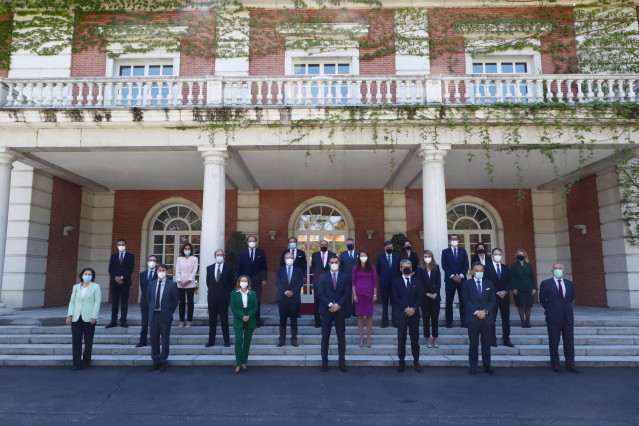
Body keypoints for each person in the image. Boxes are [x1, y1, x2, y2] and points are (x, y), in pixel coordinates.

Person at [539, 263, 578, 374]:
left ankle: (570, 364)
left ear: (563, 271)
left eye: (560, 268)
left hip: (567, 317)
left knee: (569, 342)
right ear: (552, 270)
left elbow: (570, 299)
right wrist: (551, 309)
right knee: (554, 341)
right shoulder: (546, 283)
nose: (558, 270)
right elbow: (542, 300)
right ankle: (555, 364)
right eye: (555, 268)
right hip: (553, 317)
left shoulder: (570, 284)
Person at [462, 262, 496, 375]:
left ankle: (487, 365)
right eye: (477, 270)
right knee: (473, 344)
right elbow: (465, 300)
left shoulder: (489, 284)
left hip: (487, 319)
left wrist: (485, 311)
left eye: (481, 270)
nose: (479, 272)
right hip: (473, 319)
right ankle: (473, 366)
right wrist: (476, 312)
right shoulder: (467, 284)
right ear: (472, 271)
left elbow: (492, 301)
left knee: (486, 343)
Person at [318, 256, 349, 372]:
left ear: (339, 263)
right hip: (326, 311)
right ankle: (324, 363)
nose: (334, 264)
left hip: (340, 311)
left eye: (336, 262)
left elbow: (347, 293)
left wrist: (337, 305)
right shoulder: (323, 277)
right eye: (332, 262)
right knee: (325, 337)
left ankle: (342, 362)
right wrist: (330, 305)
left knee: (341, 337)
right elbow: (320, 293)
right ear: (329, 264)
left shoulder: (344, 277)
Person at [391, 260, 423, 373]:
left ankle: (416, 361)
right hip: (401, 315)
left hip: (414, 315)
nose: (407, 268)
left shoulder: (417, 282)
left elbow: (420, 297)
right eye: (404, 267)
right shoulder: (395, 282)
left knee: (415, 340)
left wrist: (412, 309)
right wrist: (406, 309)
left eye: (409, 266)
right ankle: (401, 362)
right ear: (400, 268)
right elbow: (395, 298)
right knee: (401, 339)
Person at [66, 268, 101, 371]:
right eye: (85, 274)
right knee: (76, 340)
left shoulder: (95, 287)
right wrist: (69, 315)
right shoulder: (76, 287)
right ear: (82, 275)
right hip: (76, 317)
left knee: (88, 341)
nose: (87, 275)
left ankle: (86, 362)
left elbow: (97, 302)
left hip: (89, 317)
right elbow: (72, 302)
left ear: (92, 276)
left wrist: (94, 316)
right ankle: (76, 363)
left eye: (89, 274)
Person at [147, 264, 179, 372]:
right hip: (153, 316)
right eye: (159, 270)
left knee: (165, 340)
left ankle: (163, 361)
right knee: (154, 340)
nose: (161, 272)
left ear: (167, 272)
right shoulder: (151, 284)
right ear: (156, 272)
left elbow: (175, 301)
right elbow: (149, 299)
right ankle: (155, 361)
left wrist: (169, 312)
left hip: (165, 316)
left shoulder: (172, 285)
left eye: (163, 270)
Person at [484, 248, 514, 347]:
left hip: (505, 297)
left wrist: (505, 291)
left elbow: (510, 281)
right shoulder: (487, 268)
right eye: (496, 254)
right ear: (492, 255)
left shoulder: (506, 268)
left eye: (499, 254)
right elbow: (487, 281)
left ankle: (506, 339)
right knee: (492, 319)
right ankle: (493, 339)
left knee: (506, 319)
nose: (498, 256)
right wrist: (497, 292)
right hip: (493, 297)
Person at [236, 235, 268, 327]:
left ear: (256, 242)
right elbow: (240, 267)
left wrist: (264, 279)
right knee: (244, 300)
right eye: (250, 241)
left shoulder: (261, 253)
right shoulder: (243, 253)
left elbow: (264, 267)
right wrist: (239, 280)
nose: (252, 242)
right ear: (247, 242)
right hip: (245, 282)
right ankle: (245, 320)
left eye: (253, 240)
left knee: (256, 301)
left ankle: (256, 321)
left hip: (257, 281)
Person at [205, 249, 233, 348]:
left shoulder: (229, 268)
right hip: (212, 298)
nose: (219, 256)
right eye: (218, 255)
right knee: (212, 321)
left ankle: (226, 341)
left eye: (221, 255)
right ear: (215, 256)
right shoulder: (209, 268)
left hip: (224, 298)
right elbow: (208, 283)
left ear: (224, 256)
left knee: (224, 320)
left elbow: (231, 284)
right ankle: (211, 341)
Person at [230, 275, 258, 375]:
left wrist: (249, 315)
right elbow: (233, 307)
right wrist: (242, 315)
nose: (243, 282)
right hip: (239, 319)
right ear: (239, 282)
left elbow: (255, 306)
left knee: (247, 342)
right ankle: (238, 364)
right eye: (242, 281)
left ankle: (244, 362)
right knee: (238, 341)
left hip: (250, 320)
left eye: (245, 281)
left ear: (248, 282)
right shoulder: (234, 293)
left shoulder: (253, 293)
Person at [276, 252, 304, 347]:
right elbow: (278, 283)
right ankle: (282, 340)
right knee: (282, 321)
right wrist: (285, 292)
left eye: (291, 258)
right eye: (287, 258)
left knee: (294, 320)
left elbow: (300, 282)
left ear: (294, 259)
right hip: (282, 299)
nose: (289, 259)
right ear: (284, 260)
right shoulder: (280, 270)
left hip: (294, 299)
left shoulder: (298, 270)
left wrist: (292, 291)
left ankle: (294, 339)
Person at [441, 234, 469, 328]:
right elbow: (444, 266)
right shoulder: (445, 252)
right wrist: (453, 276)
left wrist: (460, 276)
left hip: (462, 280)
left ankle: (464, 321)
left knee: (463, 301)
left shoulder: (463, 251)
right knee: (449, 301)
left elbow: (466, 265)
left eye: (455, 239)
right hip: (450, 280)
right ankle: (449, 322)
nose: (454, 240)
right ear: (450, 240)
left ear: (458, 240)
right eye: (452, 239)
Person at [415, 249, 441, 349]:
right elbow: (419, 283)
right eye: (425, 256)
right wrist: (427, 293)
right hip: (425, 299)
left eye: (429, 256)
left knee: (435, 319)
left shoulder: (436, 267)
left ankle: (435, 339)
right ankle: (428, 339)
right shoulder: (419, 268)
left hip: (435, 298)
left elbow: (439, 282)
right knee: (426, 319)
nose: (427, 258)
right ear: (423, 258)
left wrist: (435, 293)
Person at [106, 238, 135, 328]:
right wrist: (116, 277)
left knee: (124, 302)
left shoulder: (130, 256)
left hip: (125, 282)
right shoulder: (113, 256)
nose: (121, 246)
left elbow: (131, 269)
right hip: (114, 282)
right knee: (114, 302)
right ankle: (113, 321)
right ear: (117, 246)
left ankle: (123, 321)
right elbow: (110, 269)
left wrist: (122, 277)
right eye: (119, 244)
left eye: (123, 244)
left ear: (125, 245)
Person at [351, 249, 377, 348]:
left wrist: (375, 294)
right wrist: (354, 295)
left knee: (369, 316)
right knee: (360, 316)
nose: (363, 257)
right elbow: (353, 281)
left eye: (365, 255)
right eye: (361, 255)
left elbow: (375, 281)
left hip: (369, 293)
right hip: (359, 293)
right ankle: (361, 338)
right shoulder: (355, 267)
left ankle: (368, 338)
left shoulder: (371, 267)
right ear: (359, 257)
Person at [376, 240, 401, 328]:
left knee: (395, 303)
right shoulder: (380, 257)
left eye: (391, 247)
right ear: (384, 248)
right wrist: (384, 277)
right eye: (388, 247)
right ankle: (384, 321)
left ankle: (395, 321)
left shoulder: (397, 257)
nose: (389, 248)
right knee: (384, 304)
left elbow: (399, 270)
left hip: (395, 284)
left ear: (393, 248)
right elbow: (378, 270)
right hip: (384, 284)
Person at [510, 248, 537, 328]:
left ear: (525, 255)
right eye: (519, 254)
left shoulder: (528, 265)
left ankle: (528, 321)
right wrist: (513, 288)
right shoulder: (514, 265)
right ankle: (522, 321)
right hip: (518, 289)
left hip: (529, 288)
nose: (520, 255)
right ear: (516, 255)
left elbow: (532, 276)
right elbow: (512, 277)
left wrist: (534, 288)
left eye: (522, 254)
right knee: (520, 305)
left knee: (528, 305)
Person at [311, 240, 334, 328]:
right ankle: (317, 322)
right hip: (317, 282)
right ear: (319, 245)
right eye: (322, 244)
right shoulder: (315, 255)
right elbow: (313, 267)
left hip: (329, 282)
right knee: (317, 302)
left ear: (327, 245)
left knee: (329, 302)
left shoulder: (332, 255)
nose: (323, 246)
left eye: (325, 244)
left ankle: (328, 321)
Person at [136, 255, 157, 348]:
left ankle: (155, 341)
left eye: (154, 260)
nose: (152, 262)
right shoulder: (142, 274)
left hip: (156, 301)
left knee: (155, 323)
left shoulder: (159, 273)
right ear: (147, 262)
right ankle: (142, 341)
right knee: (144, 323)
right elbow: (143, 287)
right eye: (150, 260)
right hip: (144, 301)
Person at [175, 242, 198, 328]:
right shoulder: (179, 259)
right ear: (183, 249)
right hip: (180, 283)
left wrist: (188, 281)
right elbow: (177, 270)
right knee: (181, 303)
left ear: (191, 250)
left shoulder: (194, 258)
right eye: (186, 249)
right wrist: (179, 280)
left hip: (190, 284)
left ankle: (189, 321)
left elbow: (194, 270)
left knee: (190, 303)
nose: (187, 250)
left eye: (189, 249)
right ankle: (181, 321)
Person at [339, 237, 359, 318]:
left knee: (356, 295)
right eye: (348, 244)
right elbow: (341, 267)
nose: (350, 245)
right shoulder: (342, 254)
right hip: (346, 278)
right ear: (346, 245)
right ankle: (347, 312)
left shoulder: (358, 253)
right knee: (347, 295)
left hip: (357, 278)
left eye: (352, 244)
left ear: (354, 244)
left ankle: (355, 312)